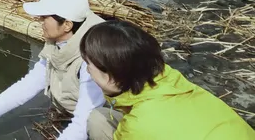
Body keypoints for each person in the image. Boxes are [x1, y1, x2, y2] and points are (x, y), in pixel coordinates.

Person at [0, 0, 105, 139]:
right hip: (73, 114)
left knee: (95, 122)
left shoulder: (94, 58)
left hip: (101, 122)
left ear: (67, 25)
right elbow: (31, 83)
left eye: (45, 17)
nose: (39, 20)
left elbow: (83, 122)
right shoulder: (58, 41)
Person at [82, 20, 255, 140]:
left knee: (98, 121)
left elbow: (144, 126)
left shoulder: (140, 125)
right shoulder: (170, 79)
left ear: (111, 77)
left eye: (89, 65)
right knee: (100, 117)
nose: (87, 70)